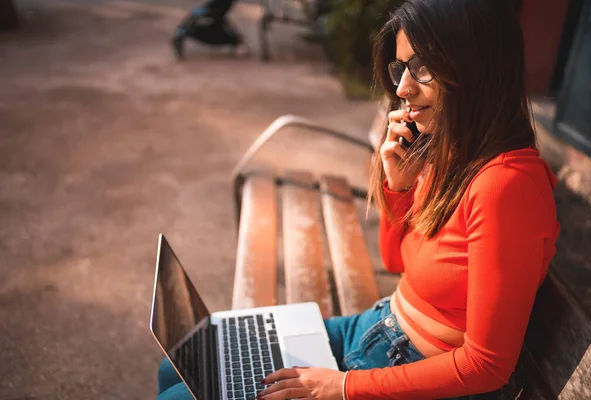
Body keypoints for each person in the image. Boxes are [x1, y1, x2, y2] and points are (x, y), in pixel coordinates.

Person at [157, 0, 560, 398]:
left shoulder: (507, 186)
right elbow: (395, 261)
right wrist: (397, 187)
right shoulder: (453, 152)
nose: (402, 88)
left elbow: (487, 366)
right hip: (380, 328)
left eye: (422, 67)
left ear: (476, 68)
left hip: (413, 369)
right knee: (182, 363)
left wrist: (342, 386)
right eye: (401, 67)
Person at [171, 0, 248, 59]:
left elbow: (222, 21)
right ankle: (236, 44)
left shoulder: (216, 7)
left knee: (231, 37)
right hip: (197, 28)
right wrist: (237, 38)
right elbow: (220, 20)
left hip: (203, 25)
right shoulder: (216, 8)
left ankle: (236, 44)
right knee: (230, 38)